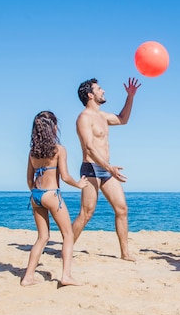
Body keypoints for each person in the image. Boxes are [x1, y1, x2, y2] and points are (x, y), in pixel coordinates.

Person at [72, 77, 141, 261]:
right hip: (91, 169)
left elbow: (123, 119)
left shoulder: (102, 116)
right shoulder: (84, 118)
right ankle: (67, 248)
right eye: (99, 89)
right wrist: (109, 167)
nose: (103, 91)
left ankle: (125, 253)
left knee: (122, 209)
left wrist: (131, 96)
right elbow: (89, 148)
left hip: (107, 170)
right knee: (87, 213)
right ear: (90, 95)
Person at [22, 111, 88, 287]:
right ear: (52, 127)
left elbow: (29, 179)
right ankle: (66, 275)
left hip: (35, 195)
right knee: (68, 235)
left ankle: (28, 277)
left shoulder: (32, 152)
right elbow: (65, 177)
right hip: (52, 194)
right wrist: (79, 184)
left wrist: (37, 193)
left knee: (42, 237)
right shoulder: (59, 149)